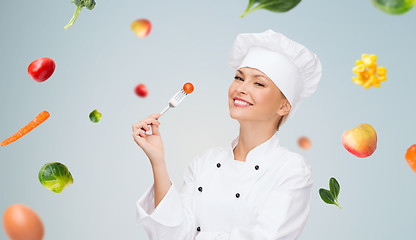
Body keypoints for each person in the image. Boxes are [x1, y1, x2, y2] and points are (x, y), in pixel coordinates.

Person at [132, 29, 322, 240]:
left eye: (258, 83)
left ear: (284, 106)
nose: (241, 88)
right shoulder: (205, 162)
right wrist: (158, 161)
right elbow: (171, 236)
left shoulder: (291, 170)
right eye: (239, 78)